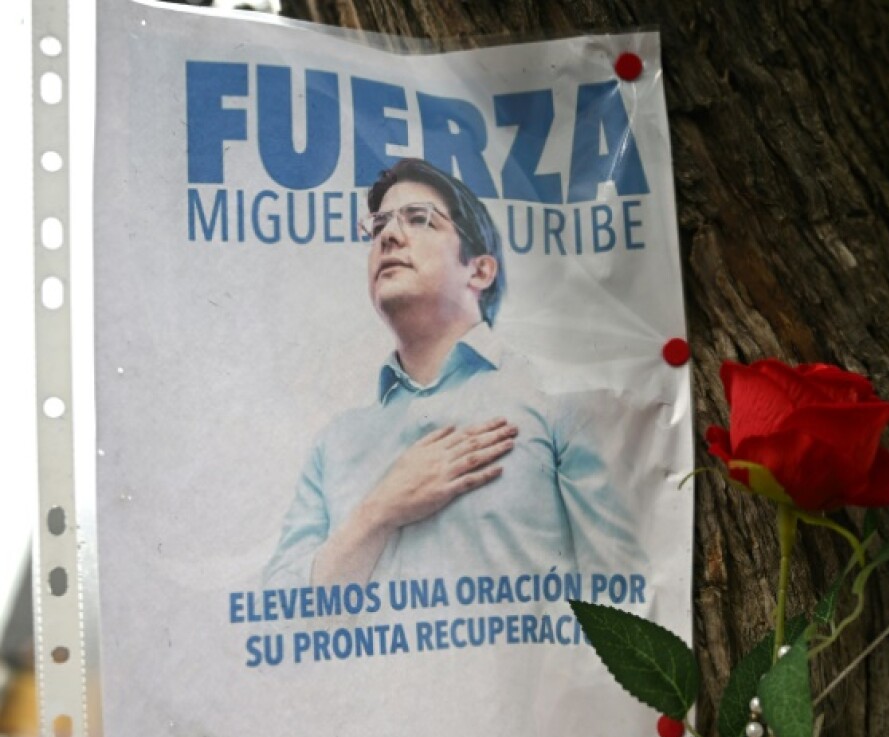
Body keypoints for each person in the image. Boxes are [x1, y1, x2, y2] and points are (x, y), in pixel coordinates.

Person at [264, 159, 643, 588]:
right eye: (378, 226)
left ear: (480, 269)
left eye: (419, 219)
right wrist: (378, 512)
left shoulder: (556, 397)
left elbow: (625, 592)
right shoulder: (334, 445)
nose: (388, 235)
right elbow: (279, 621)